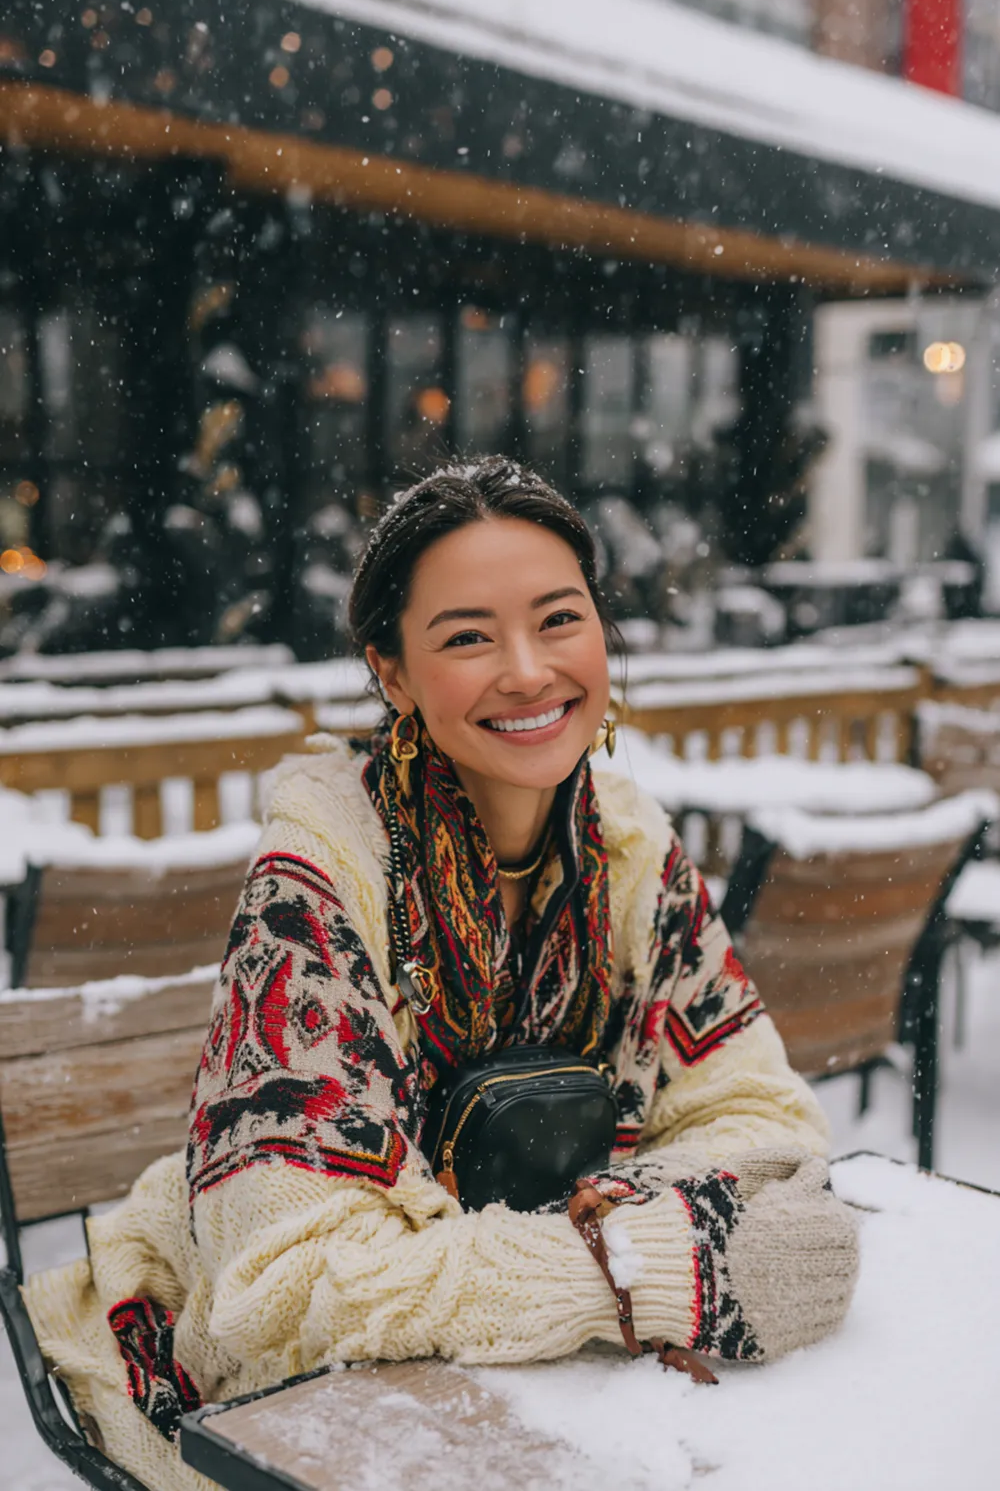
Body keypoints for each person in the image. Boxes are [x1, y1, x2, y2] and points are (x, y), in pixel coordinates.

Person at [27, 457, 858, 1491]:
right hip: (279, 1396)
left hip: (545, 1377)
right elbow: (288, 1294)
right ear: (391, 674)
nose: (526, 670)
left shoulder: (631, 851)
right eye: (467, 636)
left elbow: (767, 1121)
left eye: (559, 619)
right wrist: (645, 1266)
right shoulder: (318, 882)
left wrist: (594, 1231)